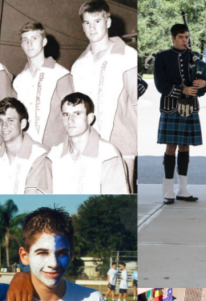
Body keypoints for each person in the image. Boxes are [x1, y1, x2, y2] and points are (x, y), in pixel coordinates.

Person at [71, 0, 138, 187]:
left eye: (97, 21)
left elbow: (136, 102)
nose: (92, 27)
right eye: (86, 22)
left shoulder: (128, 56)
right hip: (88, 146)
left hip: (121, 144)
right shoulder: (78, 66)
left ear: (107, 22)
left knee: (123, 200)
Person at [154, 23, 206, 204]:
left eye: (187, 37)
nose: (185, 40)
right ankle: (168, 190)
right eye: (181, 37)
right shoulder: (162, 57)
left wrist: (203, 85)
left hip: (190, 107)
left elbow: (203, 79)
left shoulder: (195, 56)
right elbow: (161, 85)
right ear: (173, 38)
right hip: (171, 106)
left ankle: (183, 189)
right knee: (171, 147)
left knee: (185, 147)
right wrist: (182, 90)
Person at [48, 92, 129, 193]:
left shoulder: (108, 154)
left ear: (90, 118)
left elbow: (117, 202)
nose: (70, 120)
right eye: (66, 115)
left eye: (77, 114)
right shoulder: (53, 155)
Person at [13, 23, 74, 149]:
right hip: (26, 148)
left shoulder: (61, 75)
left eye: (34, 38)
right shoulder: (18, 80)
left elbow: (72, 117)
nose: (29, 43)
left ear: (44, 41)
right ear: (21, 45)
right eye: (25, 40)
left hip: (54, 150)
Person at [0, 97, 53, 194]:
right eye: (0, 121)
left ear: (22, 124)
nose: (4, 126)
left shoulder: (41, 155)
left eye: (10, 120)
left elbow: (36, 200)